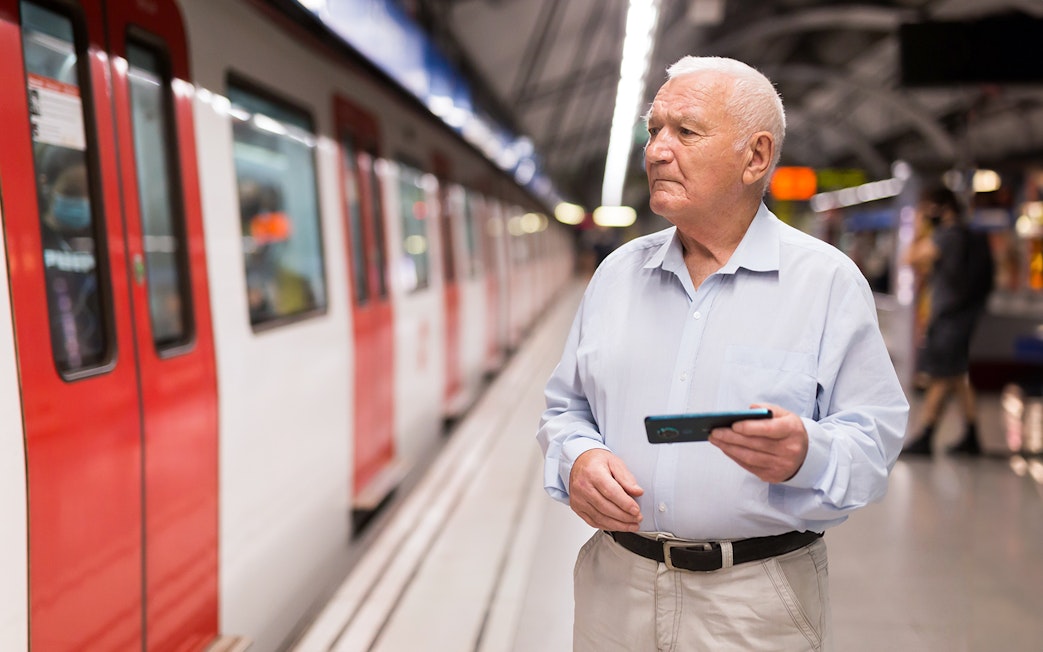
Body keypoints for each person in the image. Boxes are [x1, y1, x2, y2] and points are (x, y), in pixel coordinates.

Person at [537, 56, 909, 651]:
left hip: (755, 601)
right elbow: (566, 409)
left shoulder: (826, 283)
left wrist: (805, 455)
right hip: (616, 589)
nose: (657, 150)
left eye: (685, 131)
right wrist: (576, 459)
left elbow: (873, 446)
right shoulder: (615, 276)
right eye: (653, 129)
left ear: (755, 157)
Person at [902, 185, 994, 456]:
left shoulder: (948, 236)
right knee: (957, 376)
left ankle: (926, 436)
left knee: (943, 376)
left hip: (949, 318)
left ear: (940, 207)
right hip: (962, 315)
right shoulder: (965, 235)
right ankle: (972, 435)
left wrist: (920, 228)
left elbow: (911, 258)